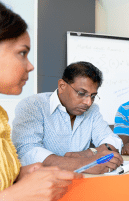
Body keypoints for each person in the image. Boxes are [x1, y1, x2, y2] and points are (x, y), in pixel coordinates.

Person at [0, 3, 82, 200]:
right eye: (22, 53)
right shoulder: (33, 105)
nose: (30, 66)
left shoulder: (1, 114)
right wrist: (16, 194)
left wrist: (21, 175)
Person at [12, 61, 123, 174]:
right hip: (43, 183)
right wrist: (84, 164)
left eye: (93, 96)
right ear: (62, 86)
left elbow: (113, 140)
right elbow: (26, 150)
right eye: (81, 93)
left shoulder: (92, 110)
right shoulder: (33, 105)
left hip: (83, 181)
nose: (88, 102)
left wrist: (88, 153)